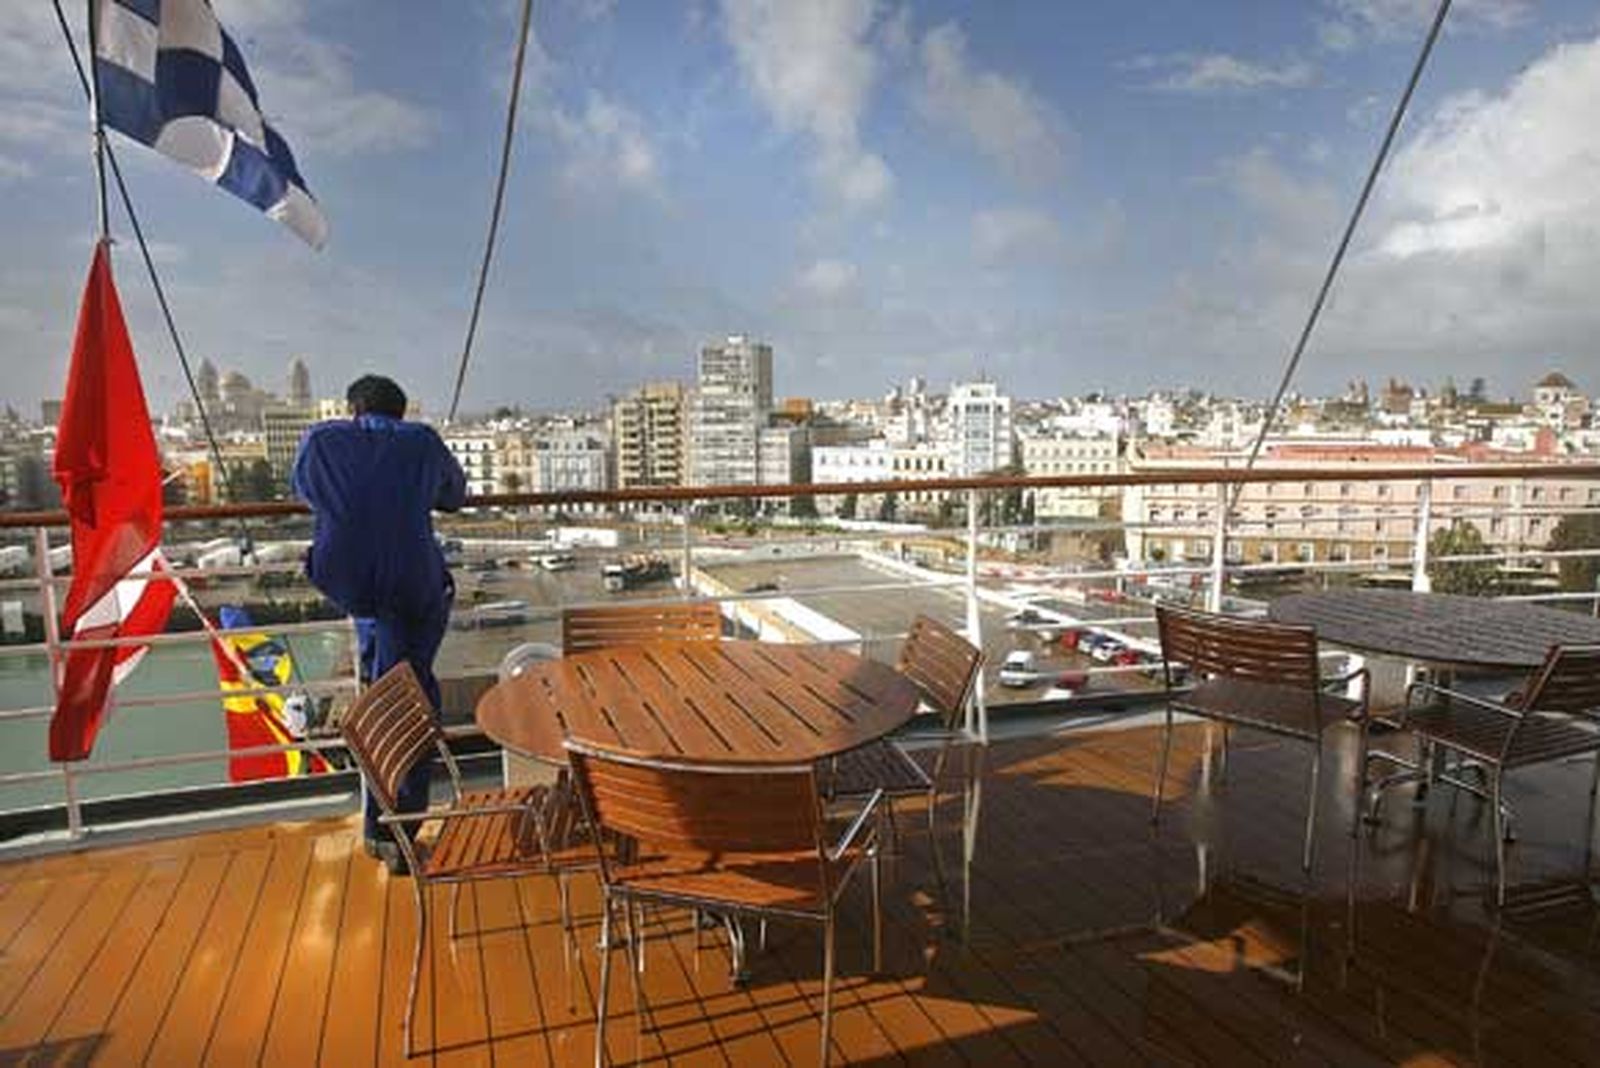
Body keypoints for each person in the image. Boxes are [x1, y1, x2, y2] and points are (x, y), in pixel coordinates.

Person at [291, 375, 466, 873]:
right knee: (408, 697)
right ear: (401, 412)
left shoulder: (321, 439)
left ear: (353, 409)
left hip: (347, 581)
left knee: (385, 681)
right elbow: (454, 495)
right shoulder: (421, 441)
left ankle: (384, 820)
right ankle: (393, 829)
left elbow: (305, 490)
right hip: (409, 585)